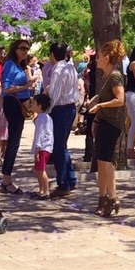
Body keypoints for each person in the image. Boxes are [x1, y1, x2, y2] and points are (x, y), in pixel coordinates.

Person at [87, 39, 126, 217]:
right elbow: (104, 98)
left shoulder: (115, 76)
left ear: (108, 57)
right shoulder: (106, 76)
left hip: (112, 123)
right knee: (102, 163)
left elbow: (120, 100)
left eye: (100, 56)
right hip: (103, 122)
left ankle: (111, 197)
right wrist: (96, 113)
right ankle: (104, 198)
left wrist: (101, 107)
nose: (97, 59)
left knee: (105, 162)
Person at [44, 42, 80, 199]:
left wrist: (45, 111)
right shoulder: (70, 67)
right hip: (70, 107)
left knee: (58, 148)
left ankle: (63, 183)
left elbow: (54, 95)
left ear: (52, 55)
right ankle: (70, 179)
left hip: (60, 110)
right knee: (62, 146)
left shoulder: (58, 70)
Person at [0, 39, 33, 195]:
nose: (25, 51)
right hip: (13, 104)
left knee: (15, 141)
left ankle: (7, 178)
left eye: (27, 49)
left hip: (20, 104)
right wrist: (25, 86)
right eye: (22, 48)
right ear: (15, 49)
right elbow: (6, 88)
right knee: (13, 142)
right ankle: (6, 180)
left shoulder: (20, 66)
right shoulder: (10, 65)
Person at [26, 93, 53, 199]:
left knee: (41, 170)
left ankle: (46, 191)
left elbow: (40, 134)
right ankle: (41, 190)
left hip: (42, 148)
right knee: (37, 169)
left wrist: (37, 150)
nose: (31, 105)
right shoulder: (47, 118)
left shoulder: (42, 118)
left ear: (40, 106)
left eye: (34, 104)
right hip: (46, 147)